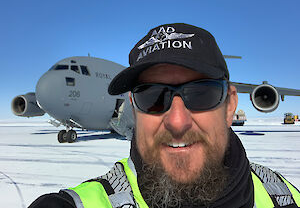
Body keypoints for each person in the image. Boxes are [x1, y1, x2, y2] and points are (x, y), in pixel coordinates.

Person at [29, 23, 300, 208]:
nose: (177, 120)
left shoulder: (284, 195)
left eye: (201, 93)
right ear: (134, 104)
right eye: (152, 96)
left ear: (230, 105)